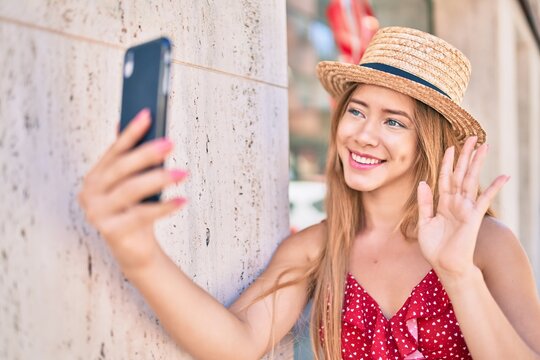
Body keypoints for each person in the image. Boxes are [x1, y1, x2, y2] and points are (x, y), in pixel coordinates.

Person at [78, 27, 540, 359]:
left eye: (394, 121)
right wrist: (139, 254)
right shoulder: (318, 248)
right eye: (356, 111)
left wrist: (459, 275)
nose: (363, 134)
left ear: (429, 145)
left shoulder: (489, 245)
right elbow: (235, 343)